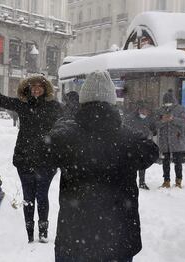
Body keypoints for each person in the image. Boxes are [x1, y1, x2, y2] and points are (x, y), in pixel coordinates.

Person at [44, 71, 159, 262]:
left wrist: (61, 128)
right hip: (118, 239)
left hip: (75, 237)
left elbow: (42, 154)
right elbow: (151, 152)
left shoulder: (66, 137)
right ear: (112, 102)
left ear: (83, 101)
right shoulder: (128, 139)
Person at [0, 68, 62, 244]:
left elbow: (68, 122)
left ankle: (43, 231)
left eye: (39, 86)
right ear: (28, 88)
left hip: (47, 159)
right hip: (25, 157)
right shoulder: (23, 104)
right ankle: (29, 232)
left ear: (45, 88)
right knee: (28, 197)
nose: (36, 89)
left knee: (42, 195)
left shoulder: (55, 107)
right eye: (32, 86)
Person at [151, 89, 185, 189]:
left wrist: (173, 119)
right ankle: (166, 181)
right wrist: (162, 120)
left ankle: (178, 181)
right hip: (164, 141)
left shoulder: (181, 109)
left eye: (170, 103)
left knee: (178, 162)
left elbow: (184, 122)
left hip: (177, 140)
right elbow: (155, 125)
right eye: (166, 103)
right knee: (165, 162)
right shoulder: (159, 110)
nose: (168, 105)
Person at [123, 100, 153, 190]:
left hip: (143, 142)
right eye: (143, 111)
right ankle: (129, 182)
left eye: (146, 111)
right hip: (132, 143)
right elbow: (125, 128)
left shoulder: (147, 118)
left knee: (142, 163)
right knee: (131, 164)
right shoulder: (130, 118)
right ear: (139, 109)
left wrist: (150, 133)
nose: (145, 113)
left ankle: (142, 182)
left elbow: (151, 128)